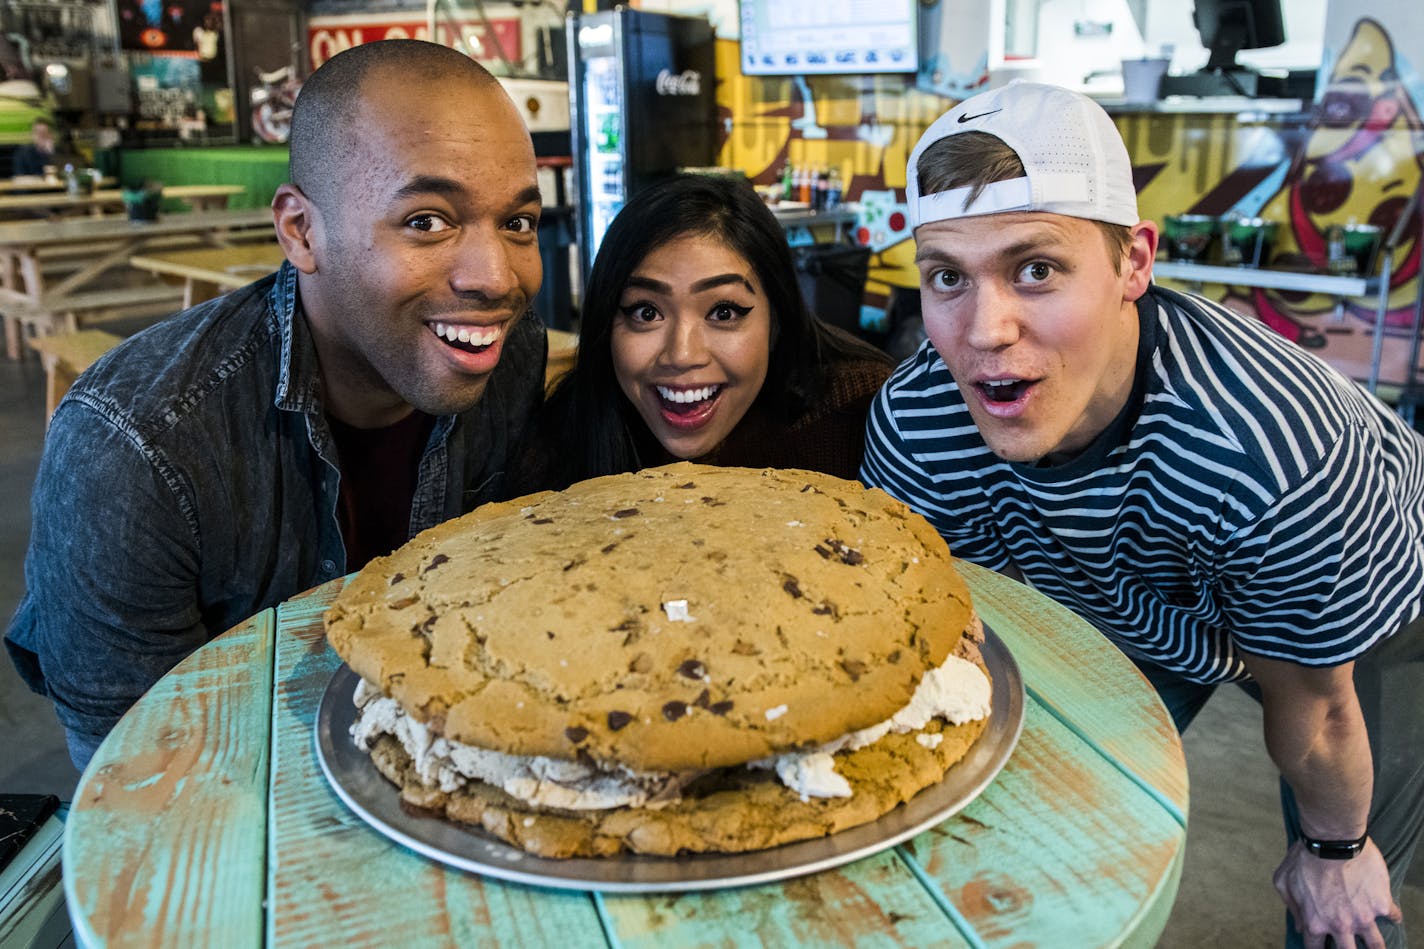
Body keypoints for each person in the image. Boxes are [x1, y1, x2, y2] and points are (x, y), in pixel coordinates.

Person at [861, 81, 1422, 949]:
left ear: (1135, 263)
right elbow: (965, 635)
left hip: (1363, 604)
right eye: (947, 276)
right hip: (1139, 588)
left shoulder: (1269, 453)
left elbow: (1315, 711)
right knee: (1030, 805)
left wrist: (1332, 846)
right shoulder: (919, 420)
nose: (984, 330)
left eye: (1035, 269)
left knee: (1340, 905)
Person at [5, 40, 550, 771]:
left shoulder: (508, 357)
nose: (495, 277)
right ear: (300, 230)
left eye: (518, 223)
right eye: (426, 221)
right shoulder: (132, 450)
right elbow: (135, 780)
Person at [522, 173, 893, 490]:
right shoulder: (561, 440)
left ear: (777, 321)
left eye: (724, 311)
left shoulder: (866, 422)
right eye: (647, 312)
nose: (683, 355)